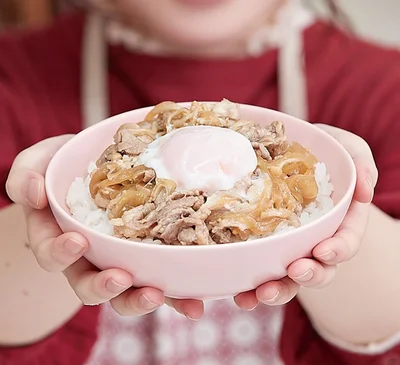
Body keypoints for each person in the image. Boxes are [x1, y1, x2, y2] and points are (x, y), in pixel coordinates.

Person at [0, 0, 399, 364]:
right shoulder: (12, 80)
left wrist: (341, 209)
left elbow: (385, 320)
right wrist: (49, 211)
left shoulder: (383, 86)